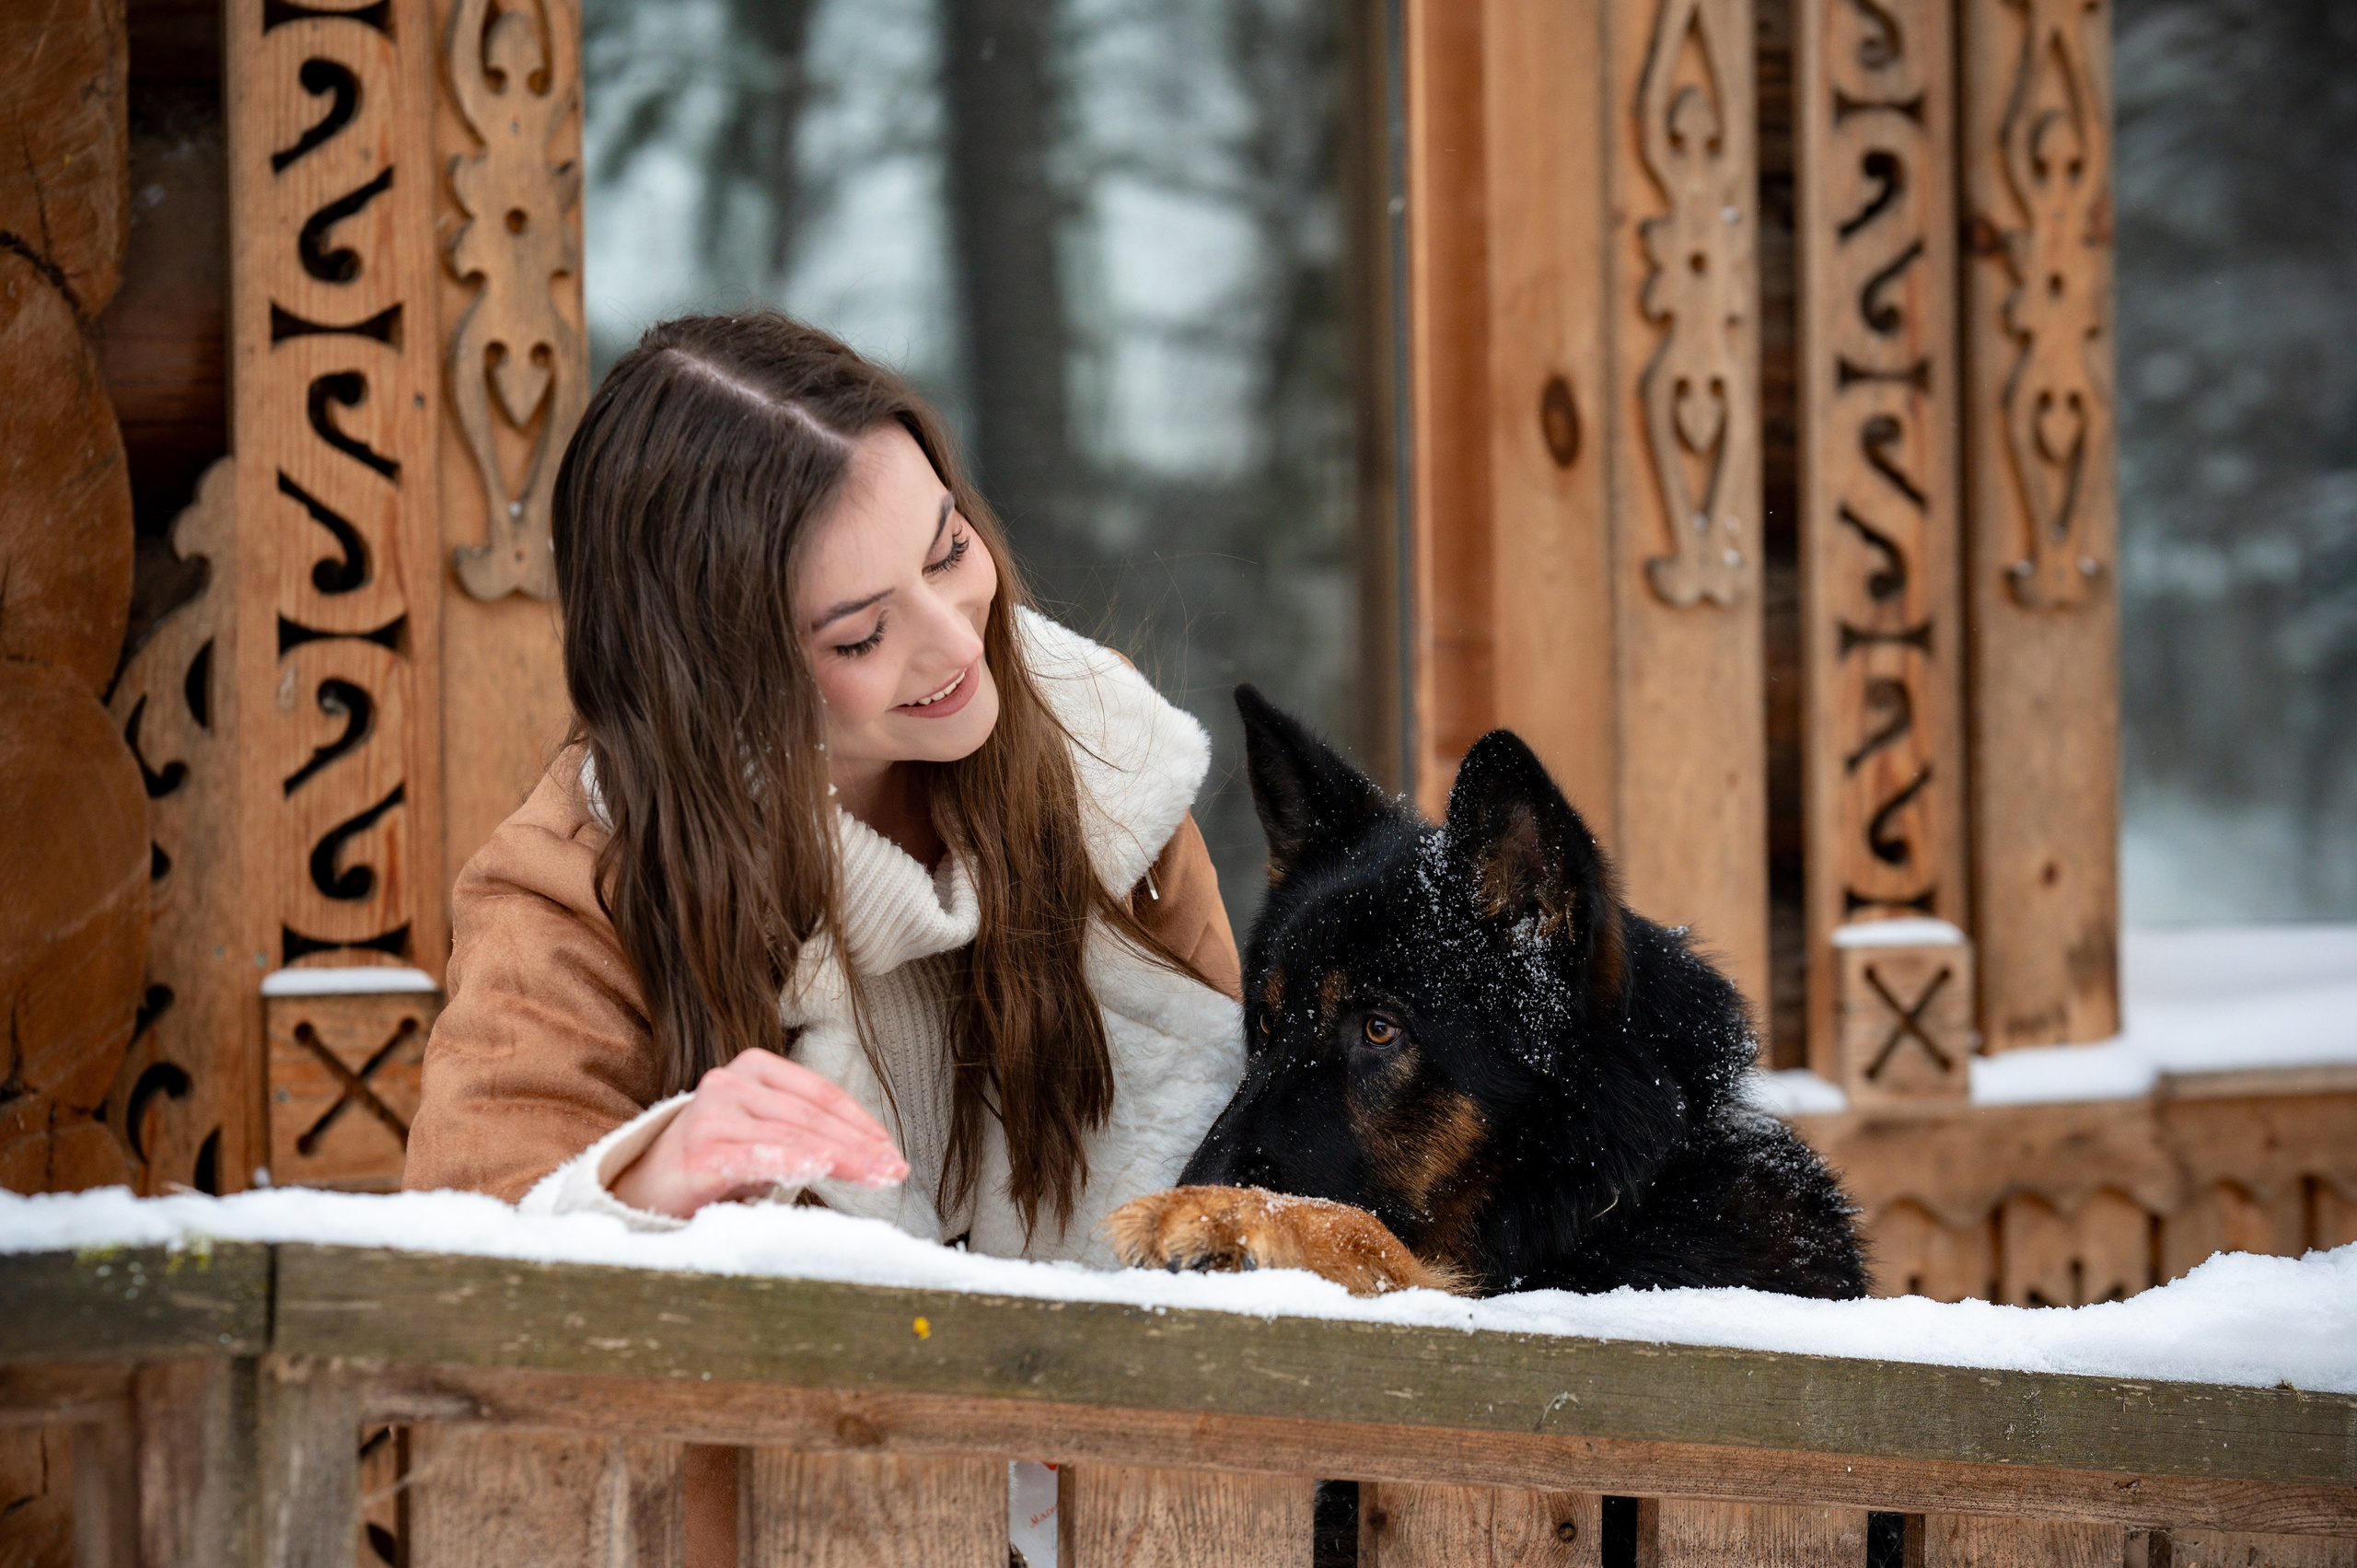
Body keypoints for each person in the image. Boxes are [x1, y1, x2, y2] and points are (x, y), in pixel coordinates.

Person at [403, 312, 1246, 1566]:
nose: (957, 641)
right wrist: (644, 1180)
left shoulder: (1105, 773)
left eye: (950, 549)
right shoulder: (587, 881)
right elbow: (453, 1274)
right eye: (859, 634)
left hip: (1137, 1521)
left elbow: (1248, 1165)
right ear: (720, 671)